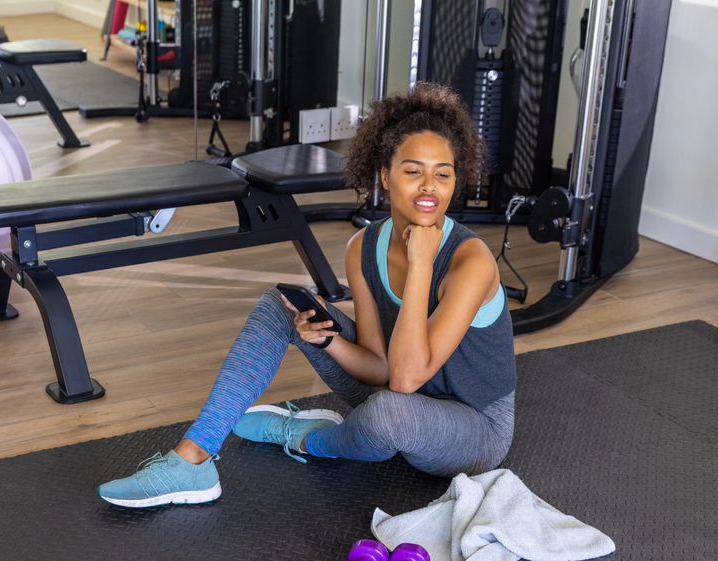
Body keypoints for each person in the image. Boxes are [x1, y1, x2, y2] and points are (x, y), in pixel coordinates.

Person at [98, 81, 517, 508]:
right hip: (394, 392)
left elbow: (406, 381)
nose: (430, 187)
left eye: (443, 174)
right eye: (414, 171)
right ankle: (193, 458)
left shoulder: (471, 262)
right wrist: (328, 340)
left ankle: (311, 439)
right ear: (386, 176)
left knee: (388, 412)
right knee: (279, 306)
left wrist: (422, 263)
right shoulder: (364, 247)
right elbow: (378, 366)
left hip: (473, 429)